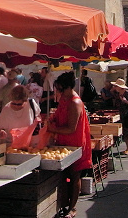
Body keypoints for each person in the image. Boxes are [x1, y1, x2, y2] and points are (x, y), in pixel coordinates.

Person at [47, 71, 92, 218]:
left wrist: (54, 129)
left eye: (60, 89)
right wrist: (53, 119)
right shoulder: (64, 100)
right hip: (63, 142)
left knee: (74, 175)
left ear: (67, 88)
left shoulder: (75, 102)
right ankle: (63, 204)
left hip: (75, 142)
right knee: (63, 174)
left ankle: (72, 208)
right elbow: (60, 116)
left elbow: (71, 128)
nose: (58, 92)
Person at [112, 78, 128, 155]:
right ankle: (127, 148)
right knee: (125, 131)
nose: (115, 87)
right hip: (123, 114)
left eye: (116, 86)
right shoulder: (118, 94)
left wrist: (125, 101)